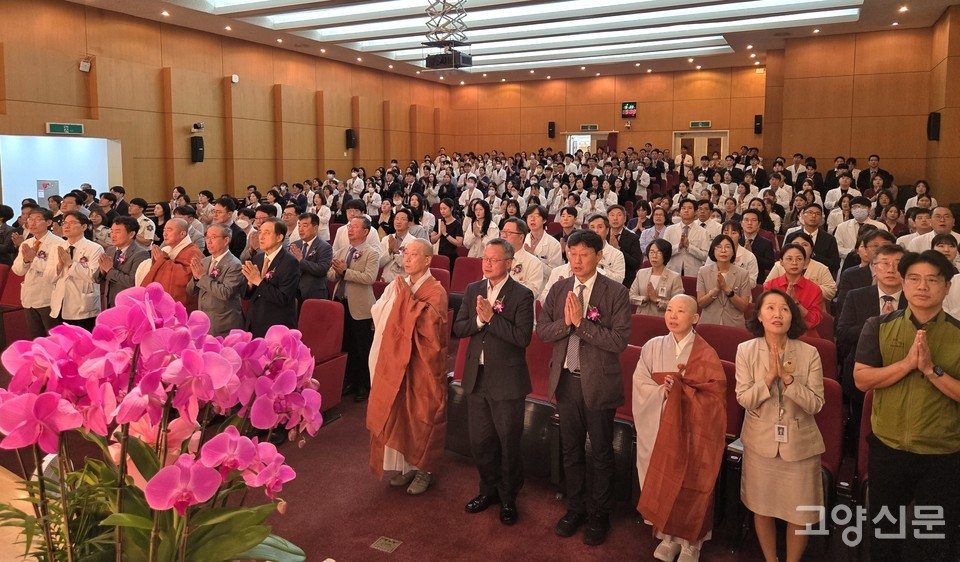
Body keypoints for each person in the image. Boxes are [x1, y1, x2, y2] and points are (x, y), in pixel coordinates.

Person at [853, 250, 960, 560]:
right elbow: (862, 379)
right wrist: (907, 364)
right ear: (903, 282)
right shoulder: (879, 325)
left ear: (947, 287)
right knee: (885, 535)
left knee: (934, 541)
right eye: (914, 278)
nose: (922, 286)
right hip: (889, 449)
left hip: (942, 455)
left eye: (932, 280)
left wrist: (931, 370)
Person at [536, 230, 631, 546]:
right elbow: (544, 331)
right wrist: (568, 324)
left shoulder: (615, 292)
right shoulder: (560, 286)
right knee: (570, 448)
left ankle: (599, 513)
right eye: (572, 253)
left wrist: (582, 325)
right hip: (565, 381)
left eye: (584, 254)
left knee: (601, 451)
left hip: (598, 383)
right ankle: (575, 507)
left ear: (599, 255)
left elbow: (618, 341)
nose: (576, 260)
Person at [633, 295, 726, 562]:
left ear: (695, 318)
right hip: (659, 423)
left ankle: (691, 543)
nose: (673, 315)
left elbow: (715, 397)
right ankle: (667, 537)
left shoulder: (706, 353)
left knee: (690, 480)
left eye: (681, 311)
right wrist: (665, 392)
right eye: (670, 310)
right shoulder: (652, 346)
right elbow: (640, 383)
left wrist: (683, 393)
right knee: (663, 477)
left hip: (691, 430)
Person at [737, 289, 825, 562]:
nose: (777, 314)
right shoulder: (746, 350)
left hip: (799, 446)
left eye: (784, 309)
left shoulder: (809, 353)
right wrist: (767, 379)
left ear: (792, 317)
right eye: (770, 308)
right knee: (761, 508)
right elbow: (744, 399)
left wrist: (787, 380)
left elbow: (816, 404)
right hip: (760, 443)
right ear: (760, 316)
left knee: (798, 513)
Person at [453, 238, 534, 525]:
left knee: (508, 441)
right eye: (485, 258)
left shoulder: (522, 295)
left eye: (494, 259)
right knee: (481, 441)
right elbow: (459, 327)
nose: (486, 263)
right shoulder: (474, 289)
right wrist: (478, 321)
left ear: (509, 263)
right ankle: (488, 490)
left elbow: (522, 338)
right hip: (478, 376)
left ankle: (509, 497)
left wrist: (491, 319)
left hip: (508, 380)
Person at [367, 238, 449, 495]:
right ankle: (409, 466)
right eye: (406, 253)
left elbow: (430, 329)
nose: (408, 258)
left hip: (423, 363)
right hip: (398, 360)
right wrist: (398, 299)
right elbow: (378, 310)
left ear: (427, 260)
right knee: (402, 411)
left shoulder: (436, 291)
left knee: (423, 413)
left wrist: (404, 301)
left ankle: (425, 469)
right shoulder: (399, 285)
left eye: (414, 255)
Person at [328, 216, 380, 402]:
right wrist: (337, 271)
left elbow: (369, 278)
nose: (350, 230)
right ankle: (349, 380)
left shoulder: (371, 253)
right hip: (341, 304)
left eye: (355, 227)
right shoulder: (342, 250)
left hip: (360, 307)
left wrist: (345, 271)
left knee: (362, 347)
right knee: (346, 345)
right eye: (349, 226)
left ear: (365, 231)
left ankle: (364, 385)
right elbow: (331, 276)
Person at [241, 217, 300, 337]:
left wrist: (258, 281)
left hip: (276, 326)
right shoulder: (258, 257)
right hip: (255, 322)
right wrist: (250, 284)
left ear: (279, 237)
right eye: (260, 232)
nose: (261, 237)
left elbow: (283, 299)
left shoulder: (290, 262)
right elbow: (245, 295)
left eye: (267, 233)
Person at [46, 211, 103, 331]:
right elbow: (49, 278)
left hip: (83, 306)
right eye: (64, 223)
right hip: (59, 305)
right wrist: (60, 265)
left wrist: (71, 264)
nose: (66, 226)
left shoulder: (94, 248)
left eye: (71, 223)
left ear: (84, 226)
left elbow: (93, 276)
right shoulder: (57, 248)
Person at [187, 223, 246, 337]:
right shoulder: (204, 261)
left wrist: (202, 277)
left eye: (213, 237)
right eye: (207, 237)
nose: (208, 242)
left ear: (226, 240)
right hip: (204, 320)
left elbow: (226, 293)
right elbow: (190, 291)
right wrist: (195, 277)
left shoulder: (234, 264)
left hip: (223, 322)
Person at [12, 208, 63, 337]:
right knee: (36, 337)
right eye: (30, 219)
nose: (32, 223)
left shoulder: (58, 243)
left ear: (49, 222)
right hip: (29, 297)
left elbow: (53, 271)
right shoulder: (27, 242)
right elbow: (17, 270)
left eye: (37, 219)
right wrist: (26, 260)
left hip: (48, 297)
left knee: (53, 337)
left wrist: (33, 260)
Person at [137, 218, 204, 311]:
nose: (165, 233)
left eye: (169, 230)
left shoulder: (193, 253)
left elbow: (185, 279)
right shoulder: (166, 250)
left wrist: (163, 262)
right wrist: (158, 261)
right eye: (164, 230)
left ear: (182, 234)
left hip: (182, 306)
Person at [764, 244, 823, 338]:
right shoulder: (771, 285)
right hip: (775, 334)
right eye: (789, 259)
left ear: (804, 263)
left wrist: (796, 303)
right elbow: (765, 315)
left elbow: (814, 321)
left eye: (799, 259)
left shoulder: (814, 289)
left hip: (805, 336)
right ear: (781, 262)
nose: (794, 263)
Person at [697, 235, 752, 329]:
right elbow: (701, 303)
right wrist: (716, 290)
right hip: (708, 323)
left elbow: (743, 306)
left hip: (734, 324)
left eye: (727, 247)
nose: (723, 250)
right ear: (713, 252)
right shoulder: (703, 272)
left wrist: (727, 290)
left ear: (733, 252)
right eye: (719, 247)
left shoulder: (743, 274)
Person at [766, 232, 836, 306]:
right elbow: (767, 286)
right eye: (796, 244)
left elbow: (831, 291)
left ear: (811, 249)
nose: (800, 247)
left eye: (805, 245)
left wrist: (806, 289)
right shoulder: (778, 266)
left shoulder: (822, 268)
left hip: (811, 305)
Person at [95, 216, 149, 309]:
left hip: (128, 305)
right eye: (112, 231)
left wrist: (109, 270)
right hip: (108, 302)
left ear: (131, 234)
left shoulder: (141, 254)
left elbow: (133, 283)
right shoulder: (110, 250)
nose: (113, 235)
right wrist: (102, 270)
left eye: (117, 232)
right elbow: (96, 279)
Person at [629, 239, 684, 316]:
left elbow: (677, 303)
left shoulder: (674, 277)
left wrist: (656, 300)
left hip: (662, 319)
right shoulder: (641, 273)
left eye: (658, 253)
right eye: (651, 252)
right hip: (641, 317)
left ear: (665, 255)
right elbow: (631, 297)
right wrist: (644, 299)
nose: (654, 256)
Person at [290, 212, 333, 304]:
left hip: (313, 293)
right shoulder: (295, 244)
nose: (301, 229)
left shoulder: (324, 247)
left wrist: (301, 261)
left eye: (305, 226)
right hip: (293, 292)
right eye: (299, 226)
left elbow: (322, 269)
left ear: (315, 228)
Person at [662, 200, 710, 277]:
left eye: (690, 208)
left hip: (693, 273)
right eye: (683, 208)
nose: (686, 210)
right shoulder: (670, 230)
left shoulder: (703, 232)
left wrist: (689, 246)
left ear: (695, 212)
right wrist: (679, 246)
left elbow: (706, 256)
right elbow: (663, 253)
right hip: (673, 271)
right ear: (680, 212)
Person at [500, 217, 544, 297]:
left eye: (509, 233)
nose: (504, 236)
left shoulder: (533, 263)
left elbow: (532, 292)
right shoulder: (495, 258)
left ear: (521, 238)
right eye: (503, 232)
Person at [586, 214, 626, 284]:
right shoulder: (582, 251)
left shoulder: (617, 254)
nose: (596, 231)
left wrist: (599, 269)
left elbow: (619, 280)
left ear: (607, 230)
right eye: (592, 227)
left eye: (600, 227)